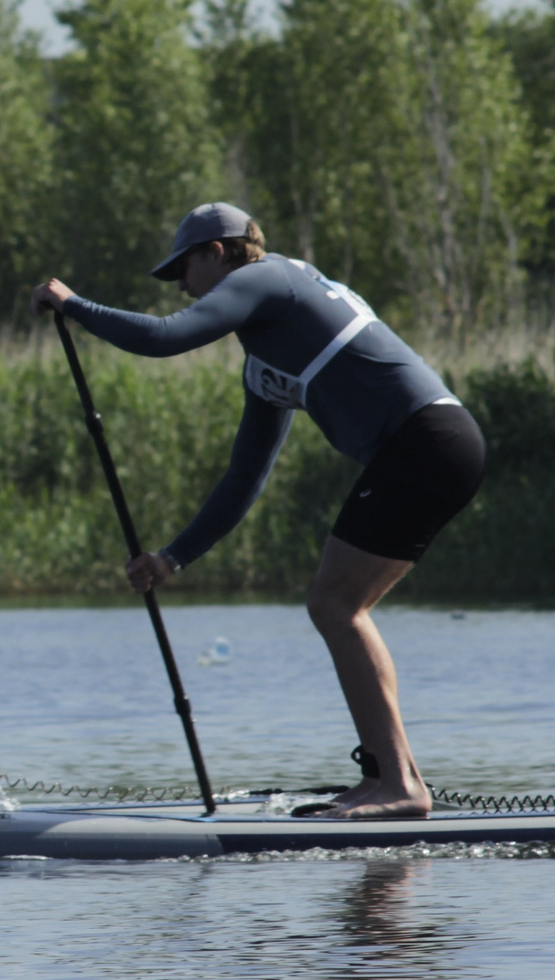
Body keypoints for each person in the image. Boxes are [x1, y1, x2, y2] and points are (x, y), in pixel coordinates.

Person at [32, 203, 486, 819]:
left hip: (428, 439)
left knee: (334, 604)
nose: (184, 286)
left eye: (184, 269)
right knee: (341, 607)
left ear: (217, 252)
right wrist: (172, 559)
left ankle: (399, 786)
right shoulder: (267, 362)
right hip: (432, 449)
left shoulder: (270, 277)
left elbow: (165, 337)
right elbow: (244, 479)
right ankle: (392, 777)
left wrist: (74, 305)